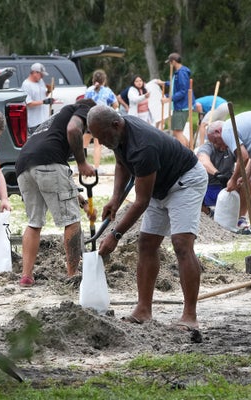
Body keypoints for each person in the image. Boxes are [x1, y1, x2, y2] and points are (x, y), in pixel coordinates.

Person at [87, 104, 207, 341]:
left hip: (185, 181)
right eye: (97, 138)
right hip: (158, 186)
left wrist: (115, 235)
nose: (100, 142)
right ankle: (143, 310)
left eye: (102, 136)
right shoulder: (118, 133)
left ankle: (190, 315)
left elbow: (141, 201)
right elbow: (122, 163)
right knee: (146, 244)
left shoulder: (144, 145)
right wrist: (115, 198)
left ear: (115, 125)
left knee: (181, 244)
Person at [16, 98, 97, 287]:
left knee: (34, 222)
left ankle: (26, 276)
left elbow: (58, 186)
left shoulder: (53, 121)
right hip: (49, 161)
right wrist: (82, 162)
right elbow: (73, 130)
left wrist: (85, 204)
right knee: (71, 220)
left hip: (23, 165)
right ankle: (73, 276)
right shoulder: (84, 108)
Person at [196, 141, 249, 230]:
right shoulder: (207, 147)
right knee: (191, 193)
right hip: (209, 187)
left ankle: (240, 218)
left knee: (247, 181)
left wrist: (235, 177)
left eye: (224, 143)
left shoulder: (231, 148)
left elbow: (245, 159)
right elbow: (203, 161)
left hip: (227, 187)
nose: (223, 146)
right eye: (219, 143)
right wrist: (217, 174)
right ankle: (209, 213)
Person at [84, 69, 119, 172]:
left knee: (83, 144)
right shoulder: (107, 91)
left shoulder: (89, 90)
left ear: (93, 79)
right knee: (97, 145)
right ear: (104, 80)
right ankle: (96, 167)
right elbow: (116, 104)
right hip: (102, 120)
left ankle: (80, 165)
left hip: (89, 118)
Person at [163, 52, 191, 147]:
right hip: (179, 107)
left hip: (181, 107)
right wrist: (164, 83)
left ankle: (186, 154)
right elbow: (175, 85)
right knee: (178, 132)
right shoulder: (178, 73)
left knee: (177, 132)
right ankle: (189, 151)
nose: (170, 65)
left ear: (173, 62)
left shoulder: (182, 73)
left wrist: (169, 99)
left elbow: (183, 91)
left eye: (170, 62)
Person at [21, 62, 54, 135]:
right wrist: (44, 102)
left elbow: (43, 95)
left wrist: (49, 91)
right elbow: (28, 103)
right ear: (34, 73)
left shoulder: (40, 81)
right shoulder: (26, 85)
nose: (42, 76)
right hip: (34, 122)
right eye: (41, 74)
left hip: (44, 119)